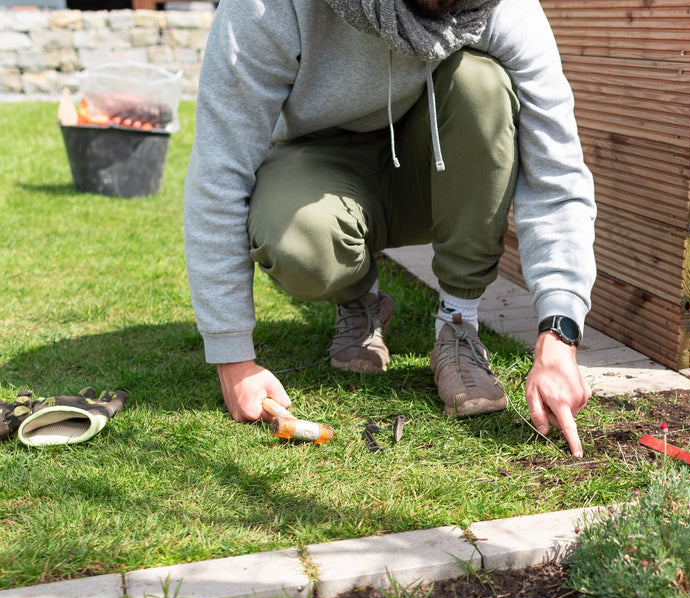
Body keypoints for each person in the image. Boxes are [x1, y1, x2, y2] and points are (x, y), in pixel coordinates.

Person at [182, 0, 597, 457]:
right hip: (316, 166)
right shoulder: (267, 8)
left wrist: (559, 332)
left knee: (481, 84)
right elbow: (218, 172)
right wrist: (233, 359)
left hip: (428, 165)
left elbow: (555, 174)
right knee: (297, 237)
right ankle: (359, 298)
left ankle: (458, 321)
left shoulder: (500, 6)